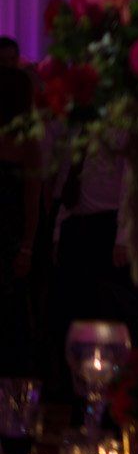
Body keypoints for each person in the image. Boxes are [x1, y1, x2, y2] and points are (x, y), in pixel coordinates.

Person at [0, 67, 39, 375]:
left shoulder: (27, 142)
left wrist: (26, 246)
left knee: (12, 317)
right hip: (10, 236)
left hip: (10, 239)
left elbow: (32, 197)